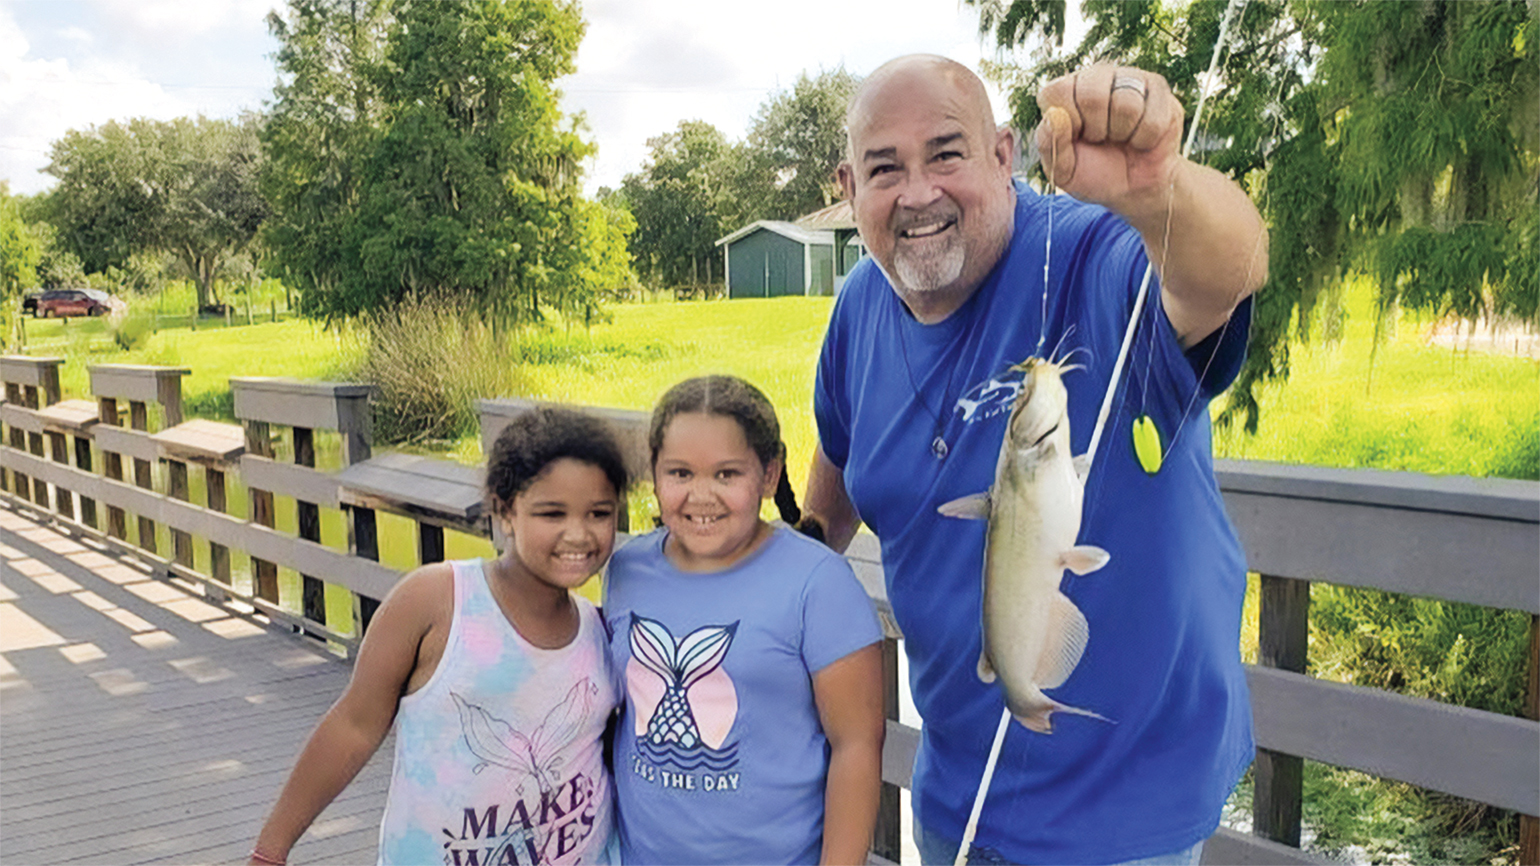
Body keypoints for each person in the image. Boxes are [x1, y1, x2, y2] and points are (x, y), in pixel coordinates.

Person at [804, 55, 1269, 865]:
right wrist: (777, 574)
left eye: (946, 153)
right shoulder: (859, 305)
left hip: (1124, 810)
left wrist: (1160, 188)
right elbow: (839, 467)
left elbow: (1223, 276)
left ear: (1003, 153)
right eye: (885, 169)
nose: (917, 193)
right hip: (956, 792)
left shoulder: (1098, 252)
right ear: (849, 186)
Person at [249, 408, 628, 866]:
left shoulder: (601, 629)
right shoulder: (436, 602)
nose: (578, 533)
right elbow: (354, 724)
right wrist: (271, 850)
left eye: (599, 513)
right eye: (551, 512)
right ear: (505, 510)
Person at [602, 375, 885, 865]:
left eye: (727, 474)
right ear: (654, 474)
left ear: (770, 475)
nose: (701, 495)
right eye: (680, 473)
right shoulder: (628, 569)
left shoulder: (819, 584)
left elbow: (856, 746)